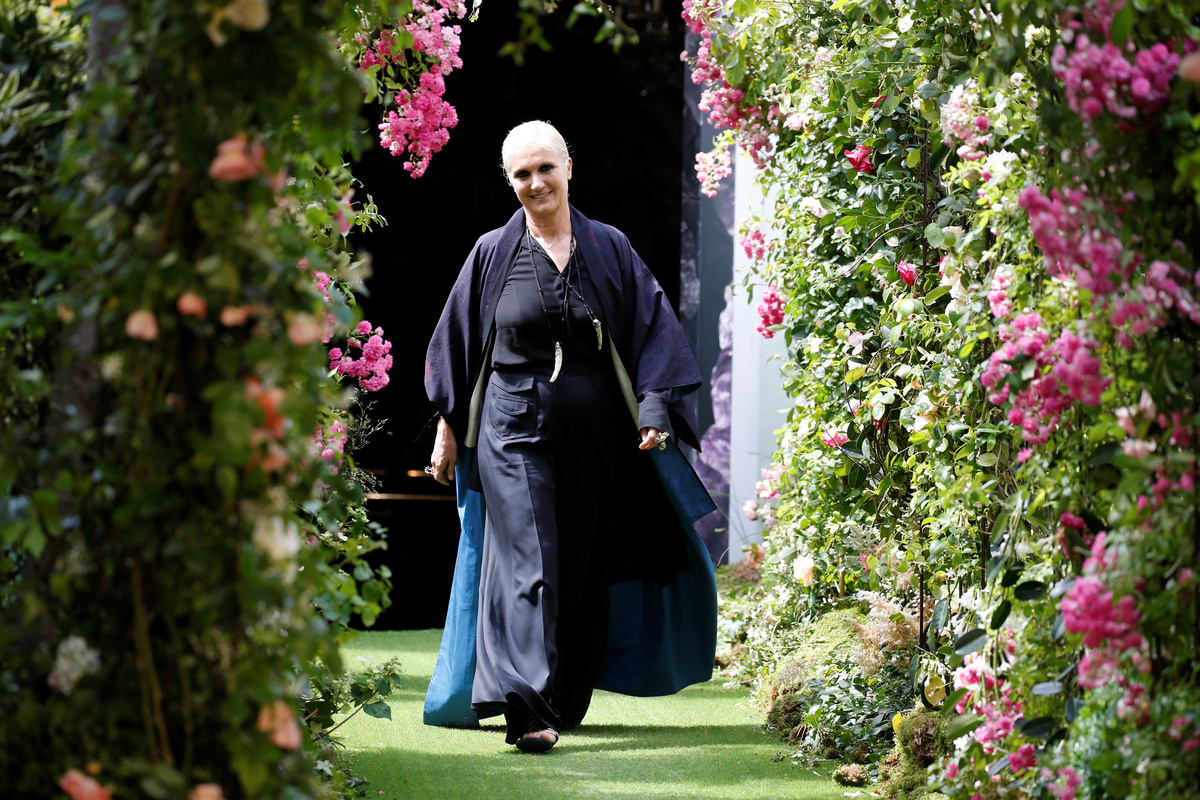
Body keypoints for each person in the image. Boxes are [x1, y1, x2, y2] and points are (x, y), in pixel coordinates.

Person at [423, 120, 717, 753]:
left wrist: (653, 411)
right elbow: (458, 346)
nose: (535, 183)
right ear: (510, 182)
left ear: (568, 168)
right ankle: (526, 708)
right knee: (529, 559)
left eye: (545, 169)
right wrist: (448, 429)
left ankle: (564, 694)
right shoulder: (490, 254)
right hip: (511, 426)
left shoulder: (609, 246)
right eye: (522, 174)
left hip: (598, 433)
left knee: (580, 569)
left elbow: (652, 330)